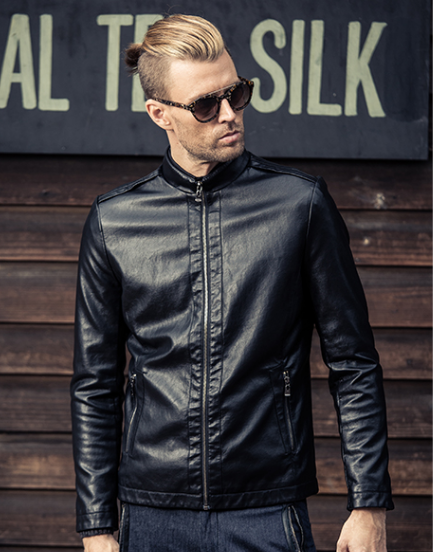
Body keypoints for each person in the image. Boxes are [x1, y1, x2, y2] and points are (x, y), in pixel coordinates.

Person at [71, 14, 393, 552]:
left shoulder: (299, 205)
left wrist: (369, 504)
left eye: (236, 93)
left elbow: (353, 363)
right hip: (151, 514)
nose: (229, 114)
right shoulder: (114, 221)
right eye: (205, 104)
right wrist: (97, 527)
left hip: (267, 508)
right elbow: (95, 385)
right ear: (159, 114)